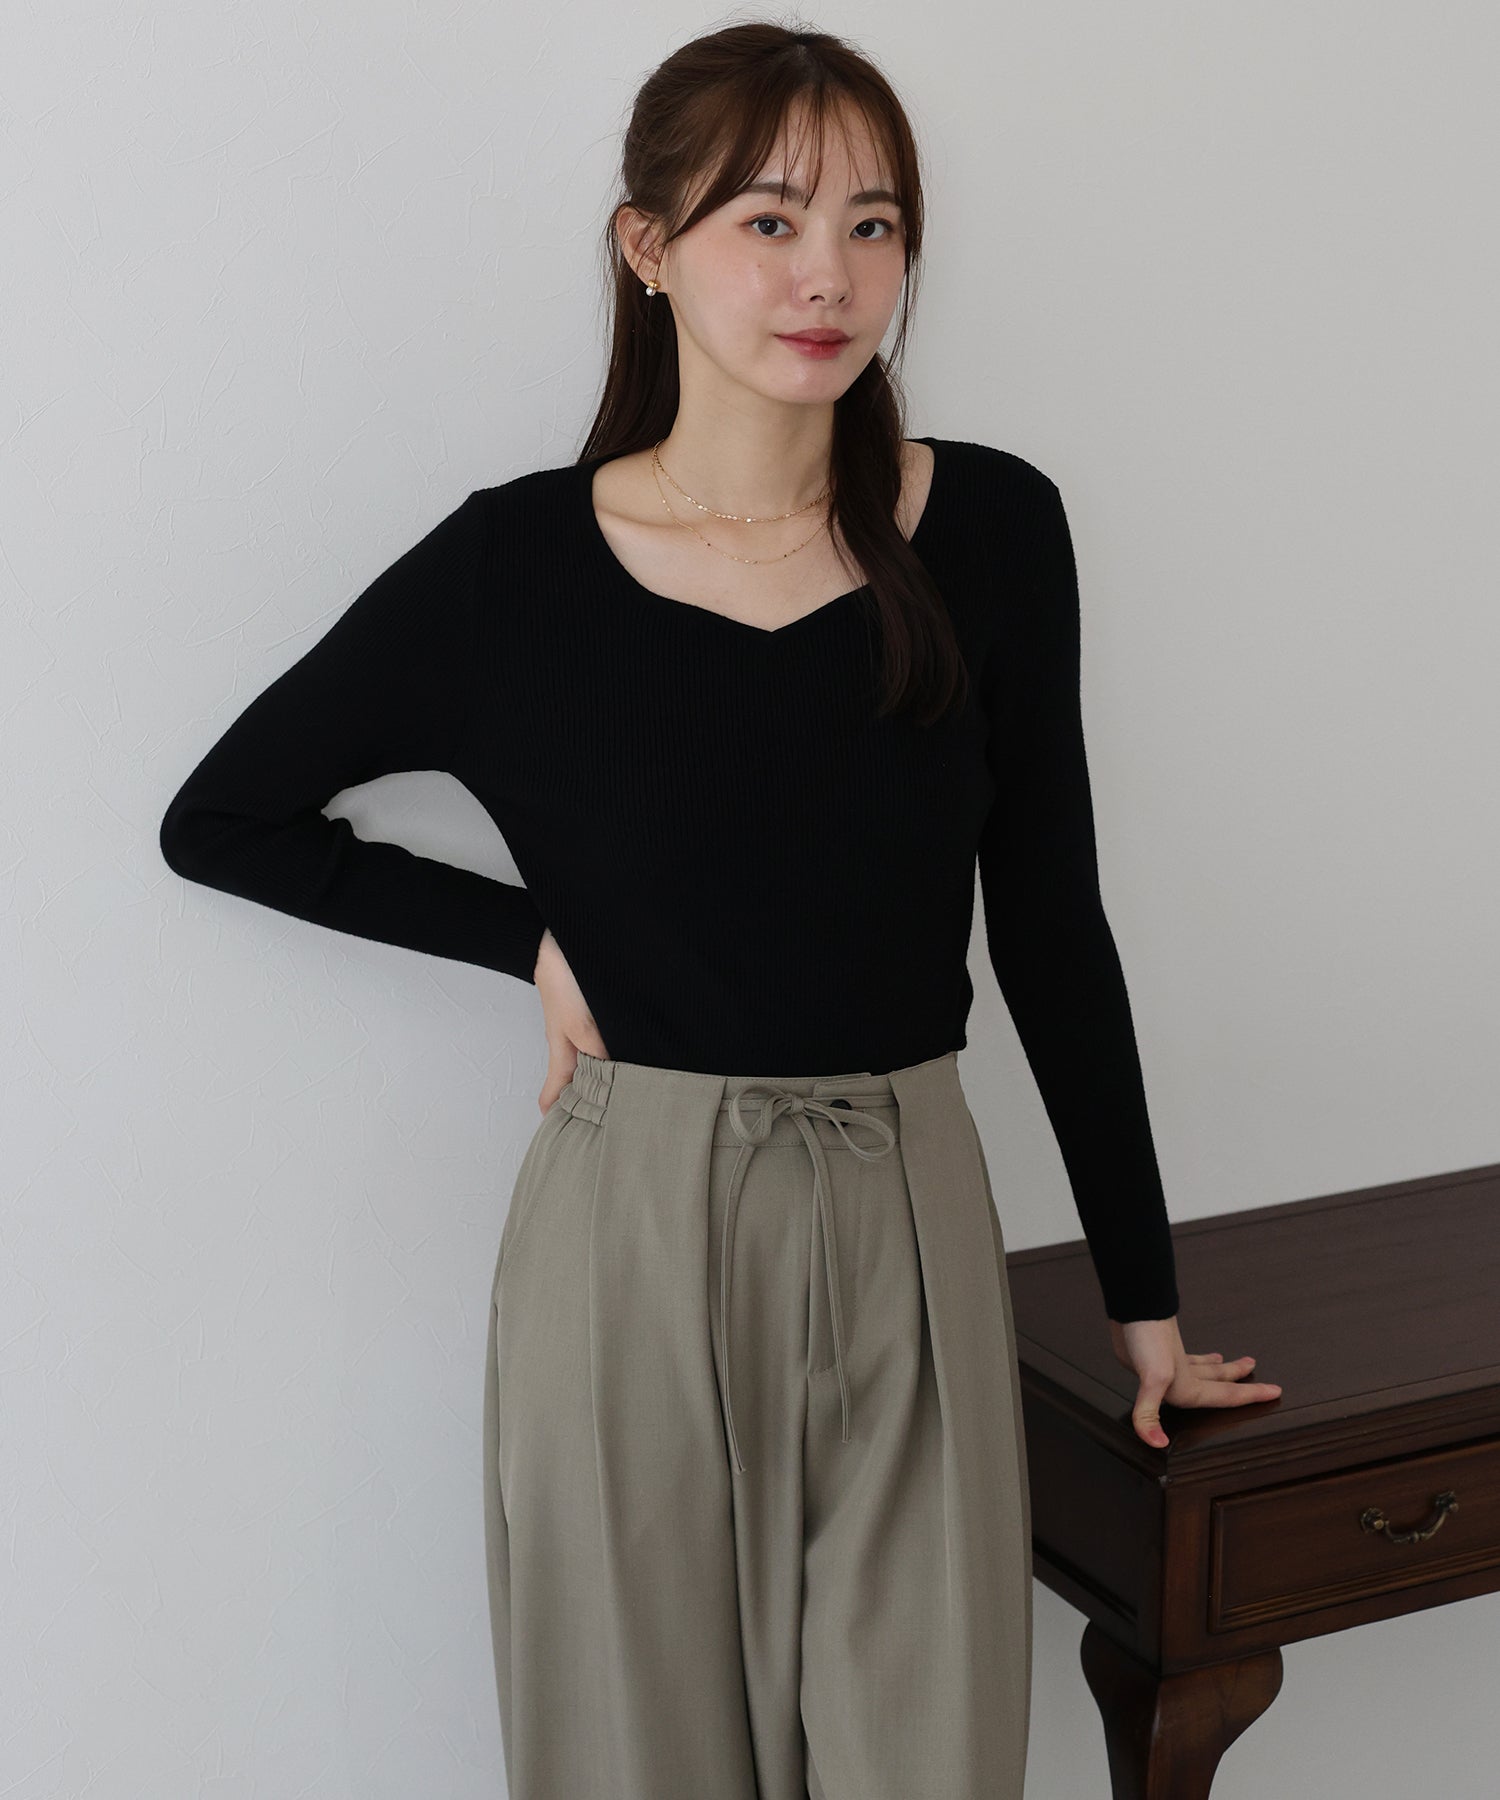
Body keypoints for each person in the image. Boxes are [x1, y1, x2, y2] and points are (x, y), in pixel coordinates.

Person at [158, 20, 1282, 1799]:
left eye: (872, 225)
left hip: (907, 1208)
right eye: (768, 221)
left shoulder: (992, 531)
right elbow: (222, 820)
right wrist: (532, 942)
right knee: (641, 1760)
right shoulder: (512, 569)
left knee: (927, 1753)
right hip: (627, 1239)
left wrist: (1147, 1309)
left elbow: (1052, 928)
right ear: (648, 247)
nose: (827, 275)